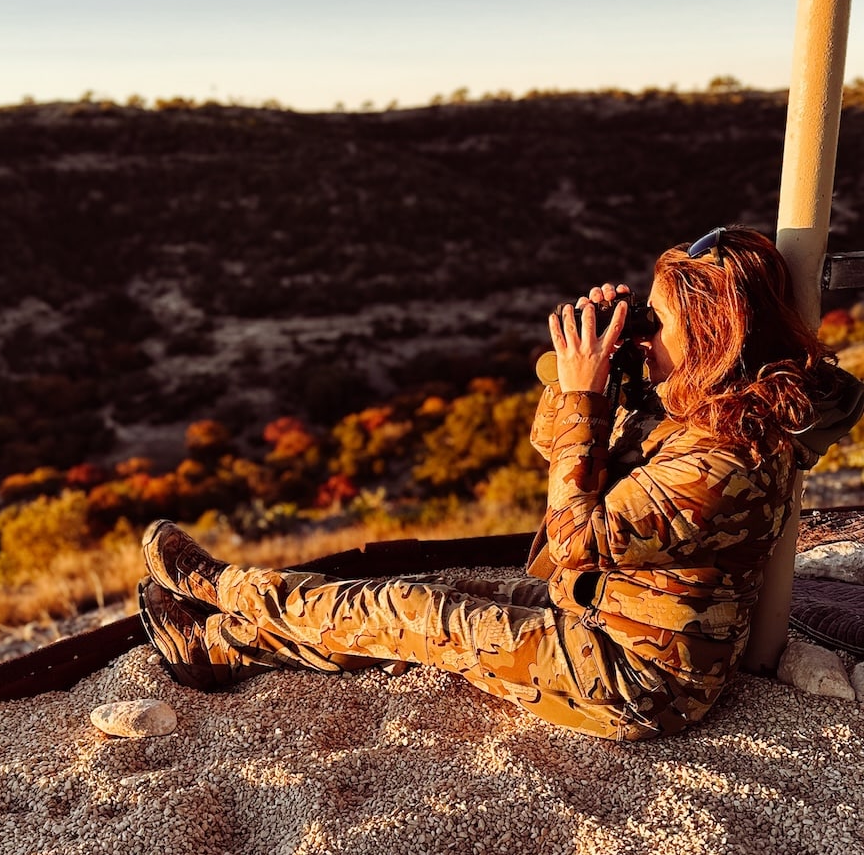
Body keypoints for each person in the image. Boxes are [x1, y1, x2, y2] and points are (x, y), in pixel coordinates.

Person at [138, 226, 864, 741]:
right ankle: (224, 644)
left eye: (658, 323)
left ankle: (223, 589)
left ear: (711, 341)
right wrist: (600, 381)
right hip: (596, 614)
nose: (644, 333)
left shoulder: (728, 460)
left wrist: (587, 400)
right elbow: (553, 448)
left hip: (632, 678)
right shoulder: (704, 405)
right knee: (433, 594)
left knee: (407, 605)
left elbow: (577, 537)